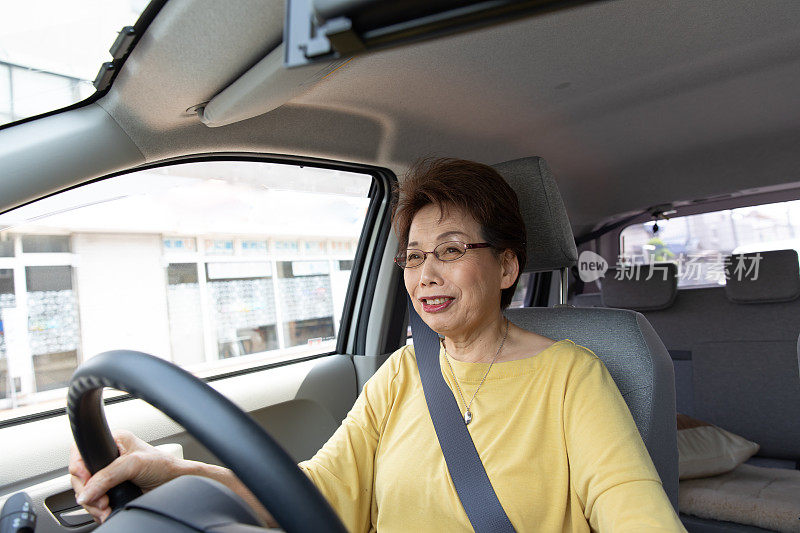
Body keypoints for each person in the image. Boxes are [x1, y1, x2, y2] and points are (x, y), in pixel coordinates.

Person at [70, 158, 686, 532]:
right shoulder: (400, 375)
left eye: (450, 250)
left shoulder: (571, 376)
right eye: (414, 257)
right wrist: (171, 475)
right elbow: (313, 490)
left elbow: (632, 511)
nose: (424, 274)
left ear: (504, 268)